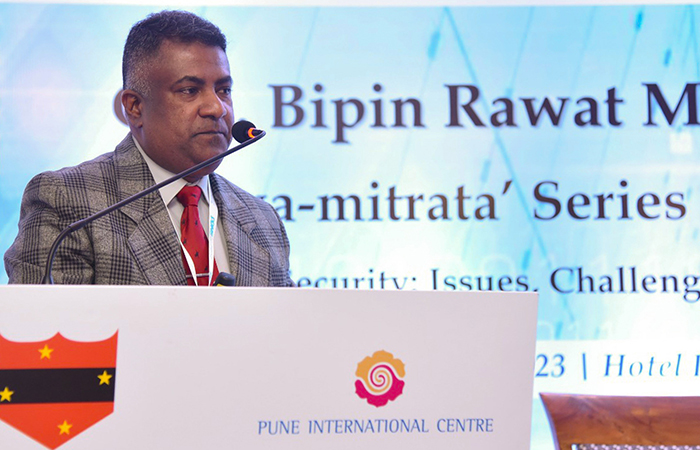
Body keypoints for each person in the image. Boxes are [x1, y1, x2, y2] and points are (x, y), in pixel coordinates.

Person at [4, 10, 294, 287]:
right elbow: (46, 319)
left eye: (223, 90)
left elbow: (287, 320)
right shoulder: (67, 202)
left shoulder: (263, 221)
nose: (216, 108)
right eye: (190, 90)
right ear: (135, 107)